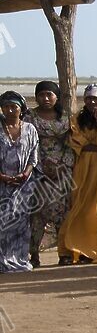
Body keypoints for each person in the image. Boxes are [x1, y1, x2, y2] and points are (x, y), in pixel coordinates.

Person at [59, 84, 97, 265]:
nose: (92, 102)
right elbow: (77, 140)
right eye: (89, 98)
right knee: (81, 206)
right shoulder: (77, 118)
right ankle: (79, 250)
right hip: (84, 166)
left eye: (96, 99)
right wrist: (94, 146)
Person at [26, 81, 74, 267]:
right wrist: (40, 165)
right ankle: (33, 254)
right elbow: (29, 144)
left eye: (49, 95)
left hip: (62, 173)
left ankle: (64, 254)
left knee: (63, 213)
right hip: (37, 171)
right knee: (36, 214)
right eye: (42, 95)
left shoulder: (66, 118)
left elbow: (72, 145)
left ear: (57, 97)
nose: (45, 99)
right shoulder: (30, 117)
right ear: (36, 97)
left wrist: (62, 166)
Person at [0, 91, 38, 273]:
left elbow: (33, 157)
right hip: (2, 183)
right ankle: (2, 261)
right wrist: (3, 176)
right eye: (6, 106)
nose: (9, 110)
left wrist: (25, 174)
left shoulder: (30, 129)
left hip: (24, 184)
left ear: (21, 109)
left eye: (13, 106)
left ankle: (19, 259)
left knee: (21, 223)